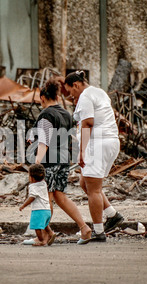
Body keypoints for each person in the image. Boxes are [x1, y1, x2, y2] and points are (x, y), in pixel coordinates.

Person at [63, 71, 124, 243]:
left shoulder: (85, 96)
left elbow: (88, 123)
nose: (71, 95)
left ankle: (98, 231)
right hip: (110, 142)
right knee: (86, 183)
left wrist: (81, 151)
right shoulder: (99, 92)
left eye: (70, 91)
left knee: (94, 189)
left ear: (76, 85)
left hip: (98, 144)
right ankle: (112, 215)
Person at [30, 79, 92, 245]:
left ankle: (43, 236)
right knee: (61, 197)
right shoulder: (66, 114)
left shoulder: (46, 114)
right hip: (64, 160)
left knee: (46, 199)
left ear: (43, 97)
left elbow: (44, 141)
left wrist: (37, 163)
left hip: (49, 162)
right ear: (57, 96)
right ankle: (84, 227)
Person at [19, 164, 56, 246]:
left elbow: (32, 197)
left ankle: (41, 240)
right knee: (45, 225)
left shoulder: (33, 186)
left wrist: (23, 205)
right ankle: (51, 233)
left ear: (31, 178)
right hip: (47, 209)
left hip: (39, 210)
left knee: (37, 227)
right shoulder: (43, 183)